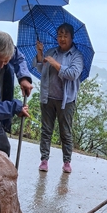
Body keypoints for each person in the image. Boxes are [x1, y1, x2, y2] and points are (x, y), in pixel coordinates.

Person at [34, 23, 84, 173]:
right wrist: (40, 55)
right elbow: (41, 69)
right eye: (59, 35)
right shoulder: (51, 52)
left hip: (66, 100)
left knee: (65, 132)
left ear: (71, 37)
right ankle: (44, 160)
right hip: (48, 97)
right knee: (46, 130)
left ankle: (67, 162)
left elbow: (73, 74)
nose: (62, 38)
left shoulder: (77, 56)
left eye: (65, 35)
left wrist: (55, 64)